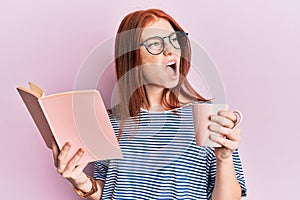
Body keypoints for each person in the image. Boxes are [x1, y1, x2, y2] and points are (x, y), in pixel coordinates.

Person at [52, 8, 247, 199]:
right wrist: (80, 182)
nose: (170, 49)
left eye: (174, 40)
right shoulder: (109, 122)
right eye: (155, 44)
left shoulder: (207, 118)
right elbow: (108, 188)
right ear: (132, 58)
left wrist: (223, 158)